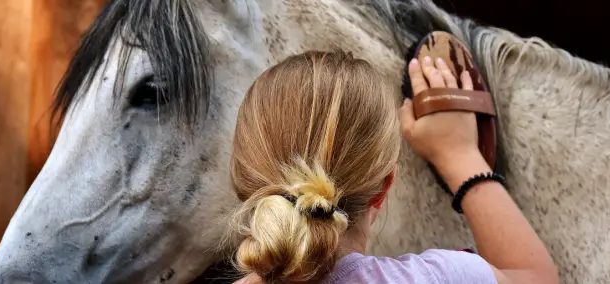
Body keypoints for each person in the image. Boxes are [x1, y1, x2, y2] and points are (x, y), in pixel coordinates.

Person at [227, 50, 559, 283]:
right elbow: (535, 278)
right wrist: (460, 155)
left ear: (241, 180)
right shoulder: (439, 278)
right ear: (384, 186)